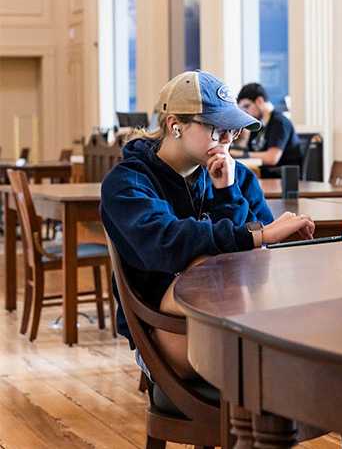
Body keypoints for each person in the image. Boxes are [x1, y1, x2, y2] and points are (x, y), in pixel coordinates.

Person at [100, 70, 315, 378]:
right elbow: (167, 245)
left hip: (241, 321)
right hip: (165, 327)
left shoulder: (239, 176)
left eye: (234, 131)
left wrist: (227, 193)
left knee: (314, 361)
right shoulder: (127, 181)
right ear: (175, 125)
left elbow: (258, 263)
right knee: (206, 267)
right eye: (217, 130)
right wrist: (255, 235)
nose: (227, 141)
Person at [233, 82, 303, 178]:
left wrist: (242, 154)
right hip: (264, 175)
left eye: (247, 107)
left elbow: (272, 158)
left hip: (281, 178)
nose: (246, 113)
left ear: (259, 101)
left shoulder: (279, 122)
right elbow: (252, 150)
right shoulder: (258, 124)